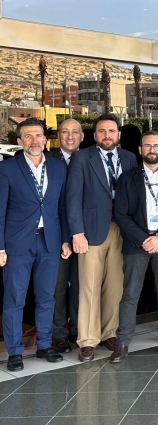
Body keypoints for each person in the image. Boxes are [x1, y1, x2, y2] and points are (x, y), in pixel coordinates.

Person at [110, 131, 158, 362]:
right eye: (147, 146)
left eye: (156, 146)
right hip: (137, 244)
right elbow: (121, 215)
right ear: (140, 150)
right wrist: (145, 239)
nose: (152, 150)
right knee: (130, 294)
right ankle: (123, 342)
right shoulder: (127, 178)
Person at [67, 113, 138, 362]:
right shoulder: (81, 158)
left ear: (118, 134)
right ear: (94, 135)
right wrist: (77, 232)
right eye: (101, 131)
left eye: (111, 131)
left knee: (116, 286)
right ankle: (87, 340)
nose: (107, 135)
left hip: (123, 230)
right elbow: (73, 198)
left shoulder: (130, 158)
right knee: (89, 286)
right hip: (91, 230)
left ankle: (109, 332)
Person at [0, 118, 69, 371]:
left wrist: (65, 239)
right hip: (17, 243)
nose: (34, 141)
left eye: (38, 135)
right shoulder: (7, 169)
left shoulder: (57, 167)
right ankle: (14, 352)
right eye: (28, 136)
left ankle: (45, 345)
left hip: (49, 241)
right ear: (19, 141)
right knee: (14, 298)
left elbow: (61, 207)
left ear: (45, 139)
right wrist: (0, 247)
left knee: (46, 297)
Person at [50, 119, 83, 353]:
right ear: (58, 135)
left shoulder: (91, 159)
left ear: (82, 136)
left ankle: (78, 330)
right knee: (58, 288)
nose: (70, 136)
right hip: (57, 237)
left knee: (81, 287)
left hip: (85, 237)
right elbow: (53, 205)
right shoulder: (48, 161)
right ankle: (58, 333)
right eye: (65, 132)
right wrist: (65, 237)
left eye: (75, 132)